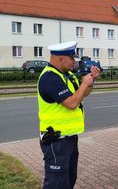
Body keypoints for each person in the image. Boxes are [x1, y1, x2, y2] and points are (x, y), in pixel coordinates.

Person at [37, 41, 100, 189]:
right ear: (60, 59)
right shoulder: (50, 77)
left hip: (69, 137)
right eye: (71, 58)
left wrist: (90, 82)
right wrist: (84, 83)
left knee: (69, 179)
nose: (74, 62)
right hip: (56, 140)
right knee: (56, 183)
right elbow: (72, 104)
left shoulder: (67, 75)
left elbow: (82, 95)